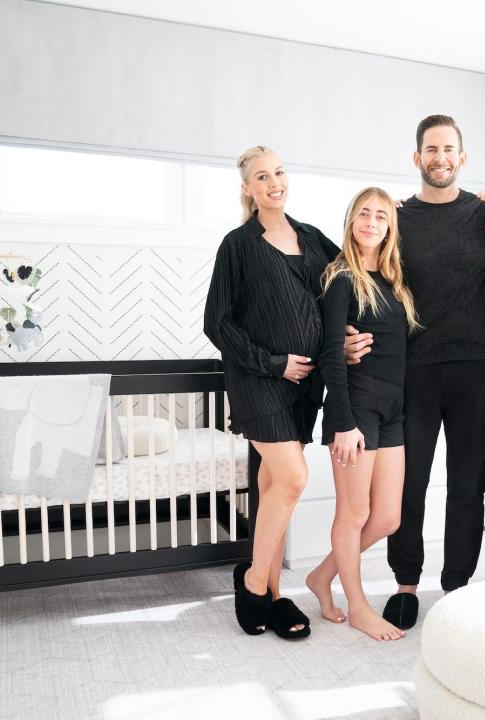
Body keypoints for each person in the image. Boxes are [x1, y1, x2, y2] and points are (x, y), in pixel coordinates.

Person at [344, 116, 485, 629]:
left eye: (449, 148)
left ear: (462, 157)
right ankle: (406, 584)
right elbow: (356, 267)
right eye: (430, 149)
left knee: (466, 484)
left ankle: (457, 584)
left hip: (480, 367)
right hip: (412, 369)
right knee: (408, 486)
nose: (440, 156)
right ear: (417, 158)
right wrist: (344, 334)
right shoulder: (395, 216)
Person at [204, 146, 340, 639]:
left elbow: (349, 290)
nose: (273, 182)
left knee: (273, 488)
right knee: (294, 477)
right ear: (248, 189)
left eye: (279, 172)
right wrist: (273, 363)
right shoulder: (237, 245)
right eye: (262, 176)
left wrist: (347, 339)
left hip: (306, 388)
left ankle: (274, 594)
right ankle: (256, 581)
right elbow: (216, 322)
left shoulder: (315, 239)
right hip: (257, 381)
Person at [305, 187, 421, 641]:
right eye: (364, 215)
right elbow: (333, 354)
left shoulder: (394, 281)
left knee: (387, 518)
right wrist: (343, 421)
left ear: (391, 226)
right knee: (353, 513)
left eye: (381, 216)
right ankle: (357, 606)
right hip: (356, 408)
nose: (372, 223)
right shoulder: (341, 279)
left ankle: (320, 576)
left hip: (393, 409)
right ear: (351, 220)